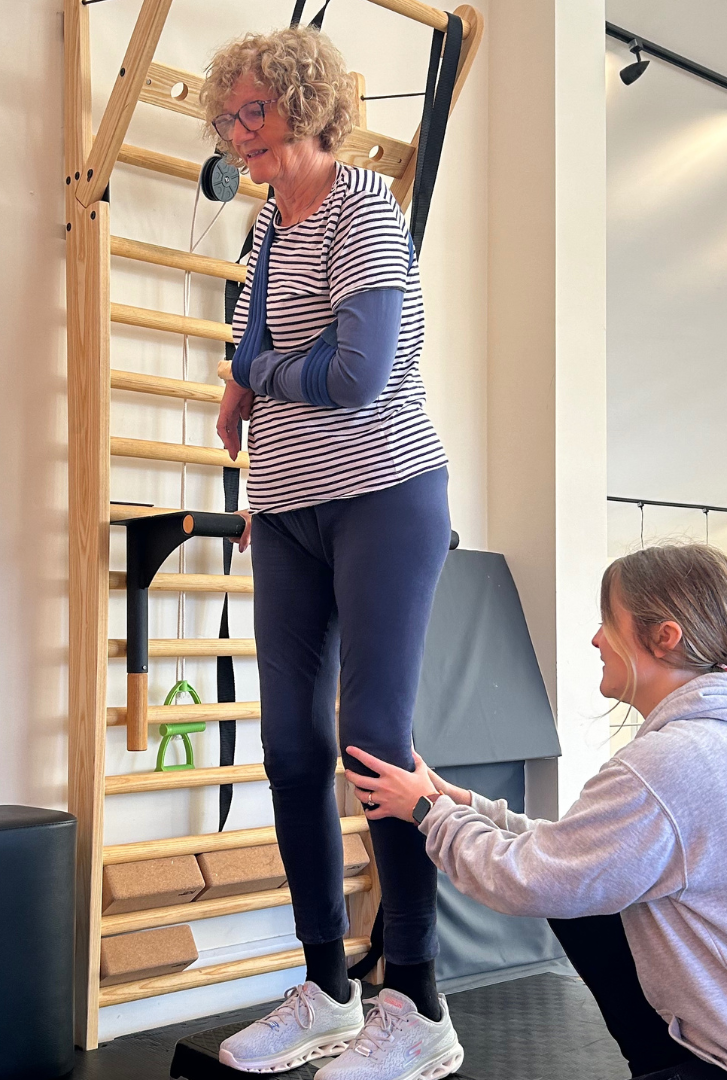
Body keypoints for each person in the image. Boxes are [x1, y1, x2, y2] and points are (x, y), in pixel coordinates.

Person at [198, 26, 460, 1078]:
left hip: (386, 494)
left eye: (254, 111)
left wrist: (261, 369)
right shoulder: (268, 219)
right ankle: (328, 989)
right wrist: (239, 379)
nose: (238, 132)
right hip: (290, 507)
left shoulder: (364, 209)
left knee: (375, 741)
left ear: (305, 106)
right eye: (228, 117)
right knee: (289, 748)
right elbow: (255, 335)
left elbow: (357, 379)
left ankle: (419, 1003)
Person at [347, 543, 727, 1080]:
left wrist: (428, 812)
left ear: (665, 637)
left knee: (573, 894)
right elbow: (582, 851)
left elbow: (534, 879)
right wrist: (460, 803)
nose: (596, 638)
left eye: (607, 621)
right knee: (585, 890)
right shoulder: (706, 741)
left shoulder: (668, 766)